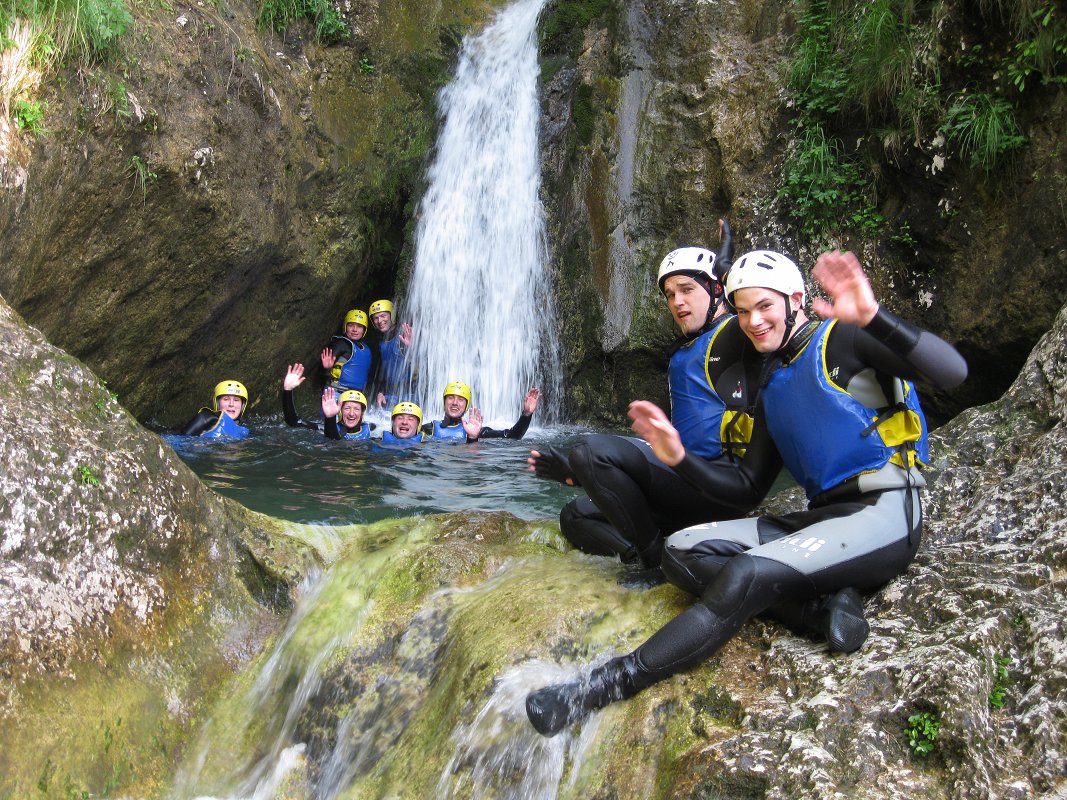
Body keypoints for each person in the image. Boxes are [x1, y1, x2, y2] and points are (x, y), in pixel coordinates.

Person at [524, 249, 968, 737]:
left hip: (885, 511)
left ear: (795, 299)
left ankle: (600, 687)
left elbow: (952, 373)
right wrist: (678, 457)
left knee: (743, 574)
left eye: (765, 306)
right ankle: (819, 608)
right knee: (679, 551)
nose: (754, 322)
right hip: (821, 521)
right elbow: (746, 488)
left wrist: (876, 318)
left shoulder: (845, 339)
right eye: (742, 311)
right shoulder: (771, 387)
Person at [529, 220, 763, 569]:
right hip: (684, 484)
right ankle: (644, 549)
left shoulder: (734, 334)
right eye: (670, 294)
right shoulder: (684, 353)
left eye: (686, 289)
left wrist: (728, 272)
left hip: (718, 487)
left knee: (590, 451)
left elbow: (762, 312)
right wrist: (575, 476)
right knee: (575, 516)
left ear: (716, 290)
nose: (677, 302)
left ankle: (655, 560)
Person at [423, 381, 541, 442]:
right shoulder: (429, 429)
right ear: (444, 401)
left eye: (460, 399)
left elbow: (513, 436)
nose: (455, 402)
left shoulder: (478, 431)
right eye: (450, 398)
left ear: (466, 405)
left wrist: (526, 415)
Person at [368, 299, 414, 409]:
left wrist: (412, 347)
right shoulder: (379, 342)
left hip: (412, 393)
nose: (380, 320)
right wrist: (380, 392)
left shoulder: (405, 333)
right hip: (390, 394)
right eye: (376, 318)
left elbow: (422, 363)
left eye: (383, 316)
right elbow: (381, 372)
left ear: (391, 315)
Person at [320, 309, 376, 393]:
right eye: (350, 325)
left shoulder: (366, 349)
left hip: (357, 396)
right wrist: (327, 369)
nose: (355, 330)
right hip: (336, 392)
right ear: (345, 326)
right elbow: (324, 371)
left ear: (364, 330)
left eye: (359, 326)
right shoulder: (339, 344)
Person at [179, 380, 251, 439]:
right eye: (226, 399)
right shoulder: (207, 417)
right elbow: (181, 439)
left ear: (242, 405)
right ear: (217, 403)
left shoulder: (245, 430)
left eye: (236, 400)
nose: (231, 404)